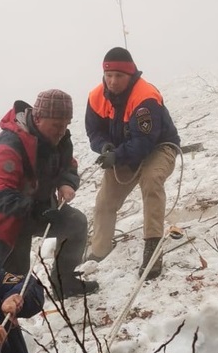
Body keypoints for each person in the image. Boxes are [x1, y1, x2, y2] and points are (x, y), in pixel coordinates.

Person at [0, 88, 98, 299]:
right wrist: (39, 211)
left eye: (65, 125)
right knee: (14, 278)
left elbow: (68, 164)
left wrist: (66, 182)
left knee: (76, 224)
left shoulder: (58, 140)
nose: (61, 131)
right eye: (56, 125)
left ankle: (64, 283)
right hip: (1, 221)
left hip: (35, 210)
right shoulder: (10, 145)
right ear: (38, 118)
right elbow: (0, 196)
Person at [85, 47, 181, 280]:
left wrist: (116, 156)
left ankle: (153, 248)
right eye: (109, 75)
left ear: (130, 75)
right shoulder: (96, 96)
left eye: (119, 76)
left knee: (151, 181)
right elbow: (94, 131)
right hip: (122, 152)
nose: (113, 81)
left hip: (159, 148)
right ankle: (99, 250)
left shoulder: (145, 97)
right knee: (105, 201)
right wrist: (104, 146)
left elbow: (144, 142)